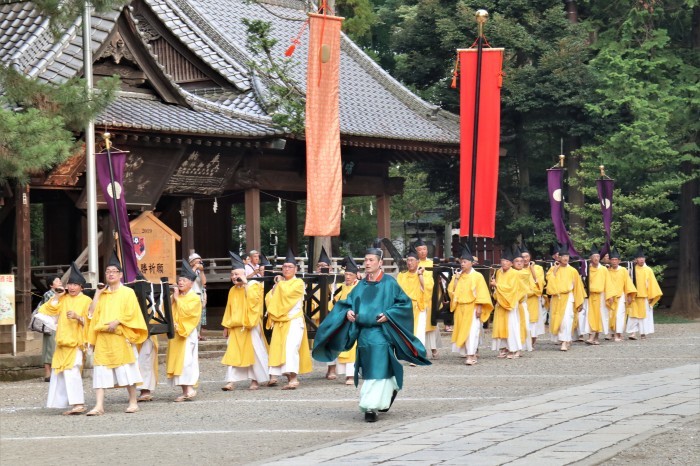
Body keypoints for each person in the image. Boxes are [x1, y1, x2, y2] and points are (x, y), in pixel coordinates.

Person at [313, 246, 430, 422]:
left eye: (371, 260)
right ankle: (388, 390)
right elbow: (348, 302)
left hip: (381, 332)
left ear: (380, 263)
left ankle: (370, 406)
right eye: (365, 260)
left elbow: (404, 304)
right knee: (370, 369)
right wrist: (348, 313)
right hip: (363, 333)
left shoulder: (390, 283)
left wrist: (389, 314)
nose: (367, 263)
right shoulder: (361, 285)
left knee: (377, 366)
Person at [86, 254, 149, 415]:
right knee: (100, 372)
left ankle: (133, 401)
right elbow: (92, 314)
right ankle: (99, 405)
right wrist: (97, 294)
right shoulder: (103, 294)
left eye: (114, 271)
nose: (111, 274)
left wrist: (118, 321)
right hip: (103, 338)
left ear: (121, 274)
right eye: (108, 272)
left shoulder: (128, 292)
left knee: (127, 370)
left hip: (121, 336)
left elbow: (132, 313)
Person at [40, 263, 91, 415]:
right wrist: (57, 295)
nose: (72, 287)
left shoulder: (86, 300)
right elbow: (47, 309)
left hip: (76, 342)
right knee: (60, 373)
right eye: (70, 284)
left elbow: (91, 320)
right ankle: (64, 402)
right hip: (62, 341)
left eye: (75, 284)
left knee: (72, 371)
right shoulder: (64, 298)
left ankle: (78, 403)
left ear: (81, 287)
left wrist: (78, 317)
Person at [221, 252, 269, 391]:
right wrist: (226, 326)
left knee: (254, 353)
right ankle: (231, 381)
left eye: (237, 274)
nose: (235, 277)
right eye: (233, 275)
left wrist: (246, 284)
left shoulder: (254, 285)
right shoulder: (232, 290)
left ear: (244, 274)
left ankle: (255, 380)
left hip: (250, 325)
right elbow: (228, 309)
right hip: (235, 327)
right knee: (233, 353)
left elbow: (255, 302)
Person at [265, 249, 312, 390]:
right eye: (284, 267)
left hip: (293, 320)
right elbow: (270, 299)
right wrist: (277, 287)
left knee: (291, 348)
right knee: (280, 349)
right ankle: (286, 376)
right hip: (280, 321)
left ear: (296, 269)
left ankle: (294, 378)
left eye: (290, 267)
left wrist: (279, 285)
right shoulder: (279, 284)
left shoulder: (299, 283)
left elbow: (287, 296)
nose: (286, 269)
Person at [447, 246, 493, 365]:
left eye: (465, 262)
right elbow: (452, 291)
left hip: (472, 307)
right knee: (463, 331)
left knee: (472, 331)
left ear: (471, 263)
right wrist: (456, 279)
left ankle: (471, 355)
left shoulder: (477, 276)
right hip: (460, 307)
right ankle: (468, 353)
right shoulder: (458, 275)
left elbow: (482, 292)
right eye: (461, 262)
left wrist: (479, 307)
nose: (462, 264)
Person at [165, 260, 202, 402]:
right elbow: (166, 310)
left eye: (184, 280)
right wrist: (173, 299)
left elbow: (189, 314)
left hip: (186, 333)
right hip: (175, 333)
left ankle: (190, 389)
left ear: (191, 283)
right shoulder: (177, 296)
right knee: (177, 362)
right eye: (179, 280)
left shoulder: (194, 297)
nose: (180, 283)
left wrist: (176, 299)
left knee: (186, 361)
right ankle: (185, 391)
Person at [324, 256, 360, 384]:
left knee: (352, 349)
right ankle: (344, 373)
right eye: (346, 274)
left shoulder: (360, 286)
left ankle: (351, 375)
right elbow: (334, 302)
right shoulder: (342, 286)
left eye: (350, 275)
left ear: (356, 275)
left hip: (355, 321)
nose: (348, 277)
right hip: (342, 321)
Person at [546, 246, 585, 351]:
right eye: (563, 256)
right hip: (557, 298)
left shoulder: (573, 271)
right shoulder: (552, 269)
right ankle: (565, 339)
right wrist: (555, 270)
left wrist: (579, 302)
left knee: (566, 320)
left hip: (568, 297)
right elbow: (549, 283)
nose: (565, 258)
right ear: (559, 258)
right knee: (557, 320)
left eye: (567, 256)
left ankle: (564, 341)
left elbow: (578, 287)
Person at [491, 249, 524, 359]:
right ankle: (504, 347)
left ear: (511, 263)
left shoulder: (515, 273)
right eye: (502, 261)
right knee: (501, 326)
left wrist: (497, 285)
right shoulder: (499, 272)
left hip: (510, 302)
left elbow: (511, 289)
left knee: (511, 326)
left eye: (506, 261)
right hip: (500, 302)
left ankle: (515, 349)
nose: (504, 263)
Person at [626, 247, 662, 340]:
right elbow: (628, 282)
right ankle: (632, 333)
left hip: (645, 296)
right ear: (636, 259)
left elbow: (652, 283)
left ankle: (643, 333)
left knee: (644, 316)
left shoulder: (648, 270)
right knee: (633, 315)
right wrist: (629, 294)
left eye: (643, 258)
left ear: (644, 259)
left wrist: (651, 295)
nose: (641, 259)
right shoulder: (632, 269)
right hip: (634, 296)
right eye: (639, 258)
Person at [397, 250, 427, 355]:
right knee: (407, 331)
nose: (409, 263)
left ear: (418, 262)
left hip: (418, 306)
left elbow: (426, 288)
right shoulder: (402, 275)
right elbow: (397, 291)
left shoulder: (424, 274)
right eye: (408, 260)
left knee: (418, 331)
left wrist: (420, 275)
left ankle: (418, 353)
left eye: (412, 260)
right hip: (405, 307)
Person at [414, 239, 441, 357]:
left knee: (431, 322)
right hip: (419, 297)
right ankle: (422, 349)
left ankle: (434, 348)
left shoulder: (432, 263)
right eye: (420, 250)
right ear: (416, 251)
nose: (423, 252)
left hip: (430, 297)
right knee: (420, 324)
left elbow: (437, 281)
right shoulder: (414, 264)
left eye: (424, 249)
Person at [584, 244, 612, 345]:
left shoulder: (603, 269)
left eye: (597, 256)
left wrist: (610, 296)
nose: (596, 258)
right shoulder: (587, 269)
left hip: (601, 296)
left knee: (600, 316)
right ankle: (591, 336)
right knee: (590, 315)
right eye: (594, 257)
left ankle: (596, 337)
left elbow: (608, 282)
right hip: (591, 296)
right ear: (591, 258)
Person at [606, 247, 636, 342]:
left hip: (621, 295)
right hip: (610, 296)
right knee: (611, 315)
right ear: (610, 261)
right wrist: (609, 295)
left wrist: (630, 295)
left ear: (619, 261)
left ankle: (618, 334)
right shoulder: (607, 271)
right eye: (612, 260)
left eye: (616, 260)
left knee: (620, 315)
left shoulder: (623, 270)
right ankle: (612, 333)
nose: (614, 261)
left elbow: (628, 283)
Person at [520, 246, 546, 347]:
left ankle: (532, 341)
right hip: (522, 298)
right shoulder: (518, 269)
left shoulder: (538, 268)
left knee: (533, 321)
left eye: (527, 257)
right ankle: (524, 342)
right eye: (523, 257)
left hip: (533, 298)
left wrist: (532, 270)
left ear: (530, 257)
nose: (525, 259)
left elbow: (540, 283)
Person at [40, 276, 62, 382]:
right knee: (49, 347)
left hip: (58, 324)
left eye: (60, 280)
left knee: (54, 347)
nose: (60, 282)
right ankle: (47, 372)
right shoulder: (49, 294)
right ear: (51, 285)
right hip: (50, 324)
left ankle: (53, 372)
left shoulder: (61, 294)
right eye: (57, 281)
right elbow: (52, 308)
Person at [188, 253, 208, 341]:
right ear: (191, 262)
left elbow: (204, 283)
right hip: (191, 295)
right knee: (192, 316)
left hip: (199, 294)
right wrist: (195, 267)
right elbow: (189, 280)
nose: (200, 262)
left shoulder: (199, 272)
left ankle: (198, 334)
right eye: (197, 261)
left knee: (199, 317)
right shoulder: (188, 270)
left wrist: (202, 270)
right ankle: (192, 333)